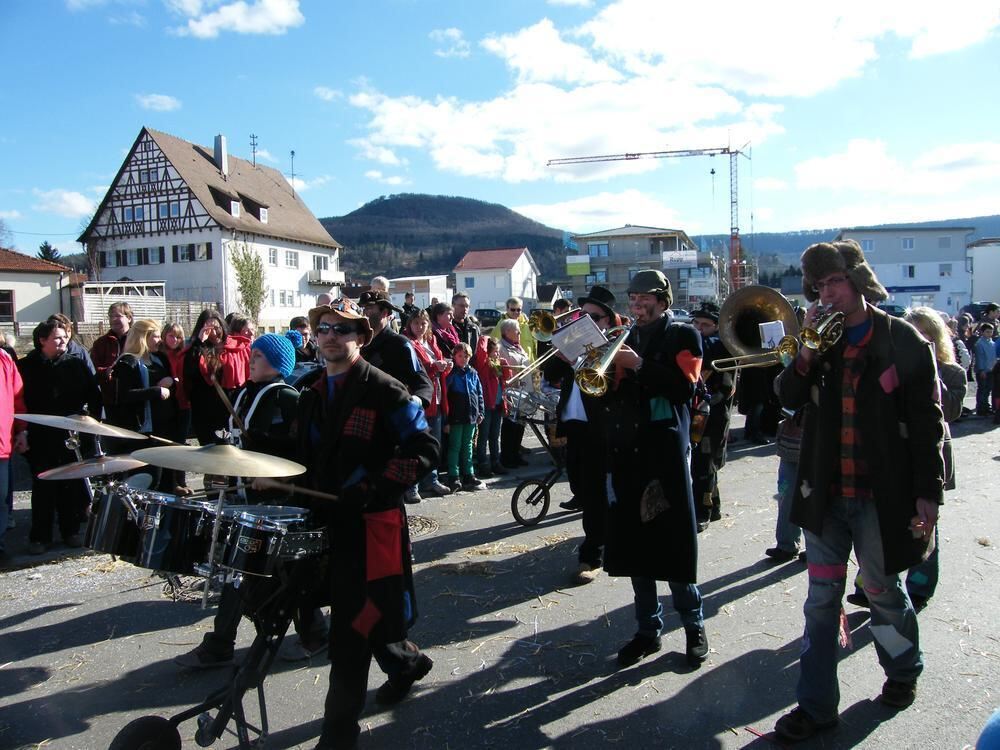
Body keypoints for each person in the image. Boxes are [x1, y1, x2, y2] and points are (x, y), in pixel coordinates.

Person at [772, 241, 945, 742]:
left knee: (881, 591)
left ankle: (903, 672)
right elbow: (786, 399)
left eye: (835, 282)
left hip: (880, 498)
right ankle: (816, 706)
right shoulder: (816, 340)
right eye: (820, 286)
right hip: (825, 496)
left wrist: (928, 493)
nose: (827, 294)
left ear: (859, 281)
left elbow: (927, 423)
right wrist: (803, 355)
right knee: (821, 601)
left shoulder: (903, 340)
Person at [295, 302, 439, 750]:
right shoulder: (311, 389)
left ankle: (338, 737)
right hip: (326, 524)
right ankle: (406, 664)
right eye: (324, 329)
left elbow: (424, 449)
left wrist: (375, 487)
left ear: (360, 336)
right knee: (355, 616)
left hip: (372, 525)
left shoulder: (385, 390)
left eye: (341, 329)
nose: (331, 336)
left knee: (352, 632)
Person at [175, 333, 326, 668]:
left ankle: (222, 644)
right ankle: (313, 630)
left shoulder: (286, 397)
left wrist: (273, 473)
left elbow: (297, 448)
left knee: (250, 568)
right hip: (246, 494)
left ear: (276, 363)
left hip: (278, 497)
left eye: (258, 355)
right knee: (265, 570)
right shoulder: (244, 393)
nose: (251, 359)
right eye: (252, 355)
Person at [600, 270, 708, 669]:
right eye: (631, 298)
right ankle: (648, 630)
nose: (635, 305)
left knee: (674, 543)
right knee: (635, 546)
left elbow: (685, 389)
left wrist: (640, 364)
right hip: (628, 451)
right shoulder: (622, 336)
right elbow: (607, 393)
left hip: (664, 451)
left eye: (643, 298)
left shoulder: (684, 335)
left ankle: (694, 627)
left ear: (662, 300)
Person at [845, 306, 967, 611]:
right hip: (894, 456)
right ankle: (870, 580)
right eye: (912, 331)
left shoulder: (953, 371)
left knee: (923, 524)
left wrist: (928, 371)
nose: (916, 338)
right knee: (885, 518)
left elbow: (950, 411)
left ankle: (921, 585)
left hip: (930, 457)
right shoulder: (891, 363)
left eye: (924, 333)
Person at [542, 285, 617, 584]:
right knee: (580, 489)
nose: (585, 321)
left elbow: (611, 389)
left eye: (593, 316)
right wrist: (560, 357)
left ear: (607, 321)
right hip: (573, 427)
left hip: (598, 429)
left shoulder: (613, 348)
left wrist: (582, 361)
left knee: (596, 493)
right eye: (582, 314)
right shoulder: (574, 342)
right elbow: (550, 376)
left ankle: (591, 555)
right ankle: (602, 536)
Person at [18, 320, 101, 554]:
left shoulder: (75, 363)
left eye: (65, 337)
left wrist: (90, 420)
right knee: (43, 486)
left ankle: (71, 531)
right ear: (42, 341)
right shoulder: (27, 366)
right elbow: (19, 401)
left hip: (69, 435)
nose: (63, 341)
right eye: (57, 338)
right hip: (40, 435)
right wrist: (21, 431)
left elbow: (93, 395)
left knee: (70, 485)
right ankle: (40, 537)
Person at [106, 319, 177, 482]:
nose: (160, 340)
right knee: (146, 477)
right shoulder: (127, 362)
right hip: (140, 430)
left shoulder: (158, 359)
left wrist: (172, 381)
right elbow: (125, 396)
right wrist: (155, 391)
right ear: (143, 337)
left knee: (162, 477)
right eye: (156, 336)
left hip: (161, 428)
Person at [688, 302, 735, 531]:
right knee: (702, 464)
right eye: (696, 323)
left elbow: (725, 389)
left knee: (705, 465)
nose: (699, 328)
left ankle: (703, 512)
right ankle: (714, 507)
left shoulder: (722, 345)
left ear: (716, 327)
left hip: (714, 415)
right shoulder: (704, 343)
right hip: (700, 413)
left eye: (705, 325)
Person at [402, 311, 453, 500]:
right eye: (416, 323)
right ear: (410, 324)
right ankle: (412, 486)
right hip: (419, 400)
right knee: (416, 445)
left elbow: (435, 365)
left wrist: (446, 367)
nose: (420, 327)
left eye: (423, 323)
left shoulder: (430, 341)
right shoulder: (407, 342)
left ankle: (431, 479)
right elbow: (416, 369)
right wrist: (435, 366)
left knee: (433, 444)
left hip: (437, 397)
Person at [183, 310, 250, 449]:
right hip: (206, 409)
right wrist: (199, 343)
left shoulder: (237, 346)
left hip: (232, 406)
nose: (212, 332)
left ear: (222, 326)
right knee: (210, 452)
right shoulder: (197, 349)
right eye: (208, 329)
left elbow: (247, 373)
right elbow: (190, 372)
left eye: (216, 327)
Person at [359, 291, 433, 409]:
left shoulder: (400, 344)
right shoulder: (359, 343)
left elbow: (422, 382)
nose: (364, 314)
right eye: (364, 309)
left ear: (384, 313)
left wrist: (415, 401)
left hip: (390, 414)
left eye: (369, 309)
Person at [444, 342, 486, 492]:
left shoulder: (473, 373)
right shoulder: (451, 374)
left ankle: (468, 473)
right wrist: (447, 419)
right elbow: (446, 396)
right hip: (456, 416)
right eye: (460, 356)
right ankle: (454, 475)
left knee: (468, 445)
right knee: (455, 446)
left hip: (471, 416)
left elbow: (479, 394)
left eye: (466, 356)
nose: (463, 359)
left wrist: (481, 412)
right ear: (454, 357)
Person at [0, 348, 27, 560]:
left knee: (1, 500)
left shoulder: (4, 358)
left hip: (2, 445)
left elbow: (17, 398)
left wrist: (22, 430)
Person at [159, 322, 192, 492]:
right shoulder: (159, 354)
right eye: (171, 336)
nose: (175, 339)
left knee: (180, 444)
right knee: (168, 444)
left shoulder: (183, 355)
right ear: (164, 336)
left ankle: (181, 481)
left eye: (178, 337)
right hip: (167, 404)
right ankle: (172, 483)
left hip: (183, 403)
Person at [497, 318, 532, 469]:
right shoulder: (502, 347)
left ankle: (516, 453)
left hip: (524, 391)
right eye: (516, 330)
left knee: (520, 424)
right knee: (510, 425)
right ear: (507, 332)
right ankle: (507, 456)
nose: (519, 332)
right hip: (512, 391)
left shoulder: (517, 346)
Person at [472, 336, 509, 478]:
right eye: (495, 352)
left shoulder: (497, 365)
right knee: (483, 436)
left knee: (494, 436)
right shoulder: (483, 365)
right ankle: (483, 464)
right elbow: (481, 349)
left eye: (498, 352)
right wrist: (486, 337)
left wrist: (504, 365)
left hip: (498, 404)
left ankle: (495, 462)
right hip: (487, 405)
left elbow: (507, 378)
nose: (497, 355)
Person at [91, 302, 133, 403]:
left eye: (118, 316)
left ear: (129, 318)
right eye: (111, 316)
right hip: (109, 400)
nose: (113, 319)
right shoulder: (100, 343)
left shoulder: (138, 340)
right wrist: (106, 371)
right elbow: (92, 368)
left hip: (134, 398)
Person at [490, 297, 536, 361]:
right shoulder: (501, 325)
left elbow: (533, 346)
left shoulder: (526, 324)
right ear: (507, 309)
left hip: (529, 365)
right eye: (513, 309)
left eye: (519, 310)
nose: (516, 312)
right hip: (511, 367)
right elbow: (493, 348)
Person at [973, 321, 996, 416]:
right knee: (982, 389)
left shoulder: (992, 343)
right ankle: (981, 408)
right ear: (982, 332)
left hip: (991, 370)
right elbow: (979, 358)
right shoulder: (979, 344)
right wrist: (981, 370)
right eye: (987, 331)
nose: (989, 333)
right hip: (983, 370)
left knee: (988, 389)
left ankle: (986, 406)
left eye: (991, 331)